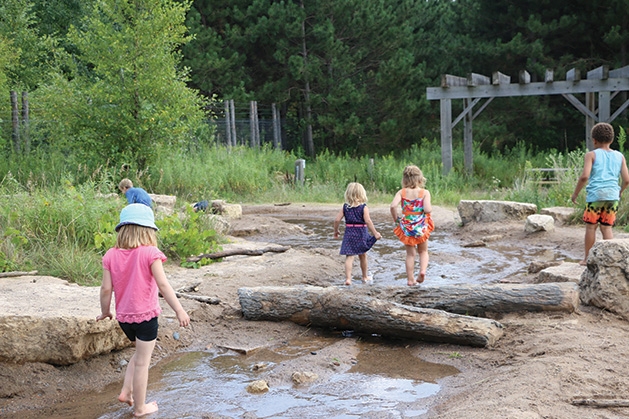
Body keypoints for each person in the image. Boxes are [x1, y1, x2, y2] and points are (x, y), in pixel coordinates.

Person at [96, 203, 190, 417]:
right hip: (146, 318)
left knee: (139, 355)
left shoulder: (110, 255)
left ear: (122, 230)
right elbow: (164, 286)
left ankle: (126, 392)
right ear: (148, 230)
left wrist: (105, 312)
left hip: (124, 319)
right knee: (143, 363)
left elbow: (106, 288)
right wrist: (179, 310)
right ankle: (140, 408)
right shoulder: (150, 253)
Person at [571, 122, 629, 265]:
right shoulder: (619, 156)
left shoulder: (591, 155)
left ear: (594, 140)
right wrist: (619, 191)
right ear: (611, 140)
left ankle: (587, 259)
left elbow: (584, 176)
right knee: (606, 227)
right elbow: (627, 180)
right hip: (612, 197)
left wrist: (575, 194)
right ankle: (610, 259)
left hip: (595, 196)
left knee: (591, 227)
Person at [390, 165, 434, 286]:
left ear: (404, 179)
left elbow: (393, 206)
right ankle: (423, 271)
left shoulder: (402, 192)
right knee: (423, 251)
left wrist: (396, 220)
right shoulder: (424, 192)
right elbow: (427, 209)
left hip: (407, 226)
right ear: (420, 179)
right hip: (421, 226)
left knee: (410, 254)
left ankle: (410, 280)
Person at [334, 182, 382, 285]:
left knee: (349, 256)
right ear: (362, 194)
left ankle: (348, 279)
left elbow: (337, 220)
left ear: (348, 194)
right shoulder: (363, 207)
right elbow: (368, 221)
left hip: (349, 233)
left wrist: (336, 230)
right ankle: (364, 277)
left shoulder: (345, 207)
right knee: (363, 255)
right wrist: (375, 233)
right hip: (361, 233)